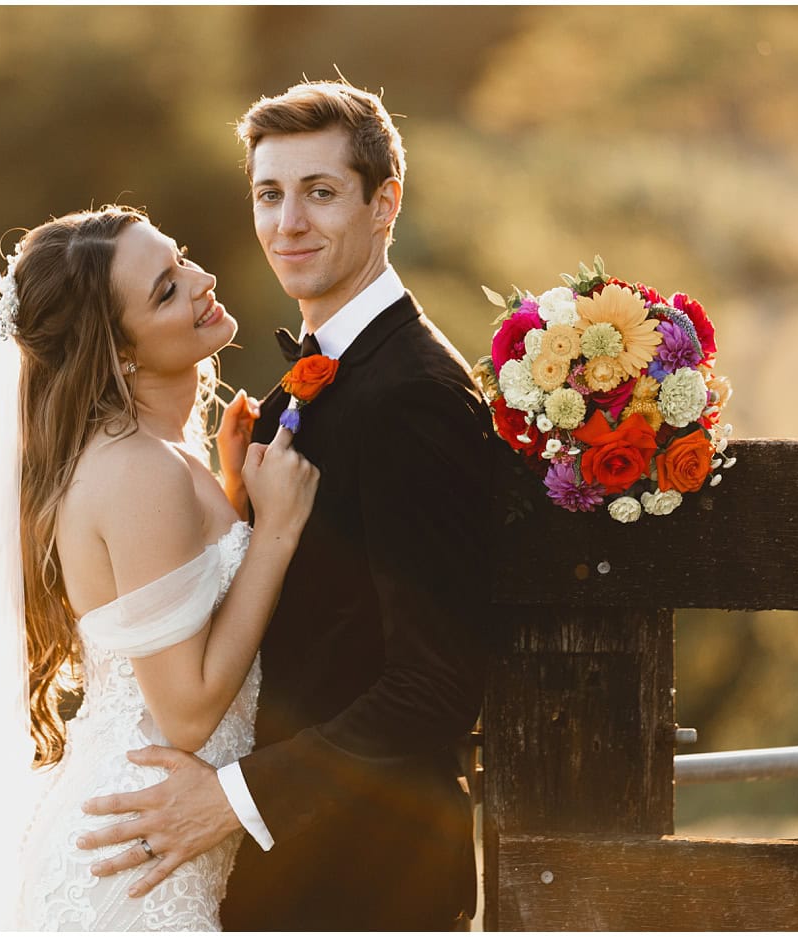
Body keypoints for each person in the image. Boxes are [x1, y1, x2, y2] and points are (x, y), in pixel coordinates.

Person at [75, 81, 494, 929]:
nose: (288, 223)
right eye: (270, 194)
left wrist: (233, 799)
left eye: (321, 193)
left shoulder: (412, 394)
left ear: (386, 203)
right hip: (293, 874)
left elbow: (437, 684)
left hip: (371, 877)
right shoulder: (307, 388)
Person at [0, 205, 319, 931]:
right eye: (165, 289)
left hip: (149, 844)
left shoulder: (153, 454)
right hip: (130, 873)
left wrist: (229, 499)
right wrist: (275, 532)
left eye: (181, 258)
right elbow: (185, 714)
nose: (201, 280)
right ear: (118, 351)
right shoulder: (135, 471)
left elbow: (176, 607)